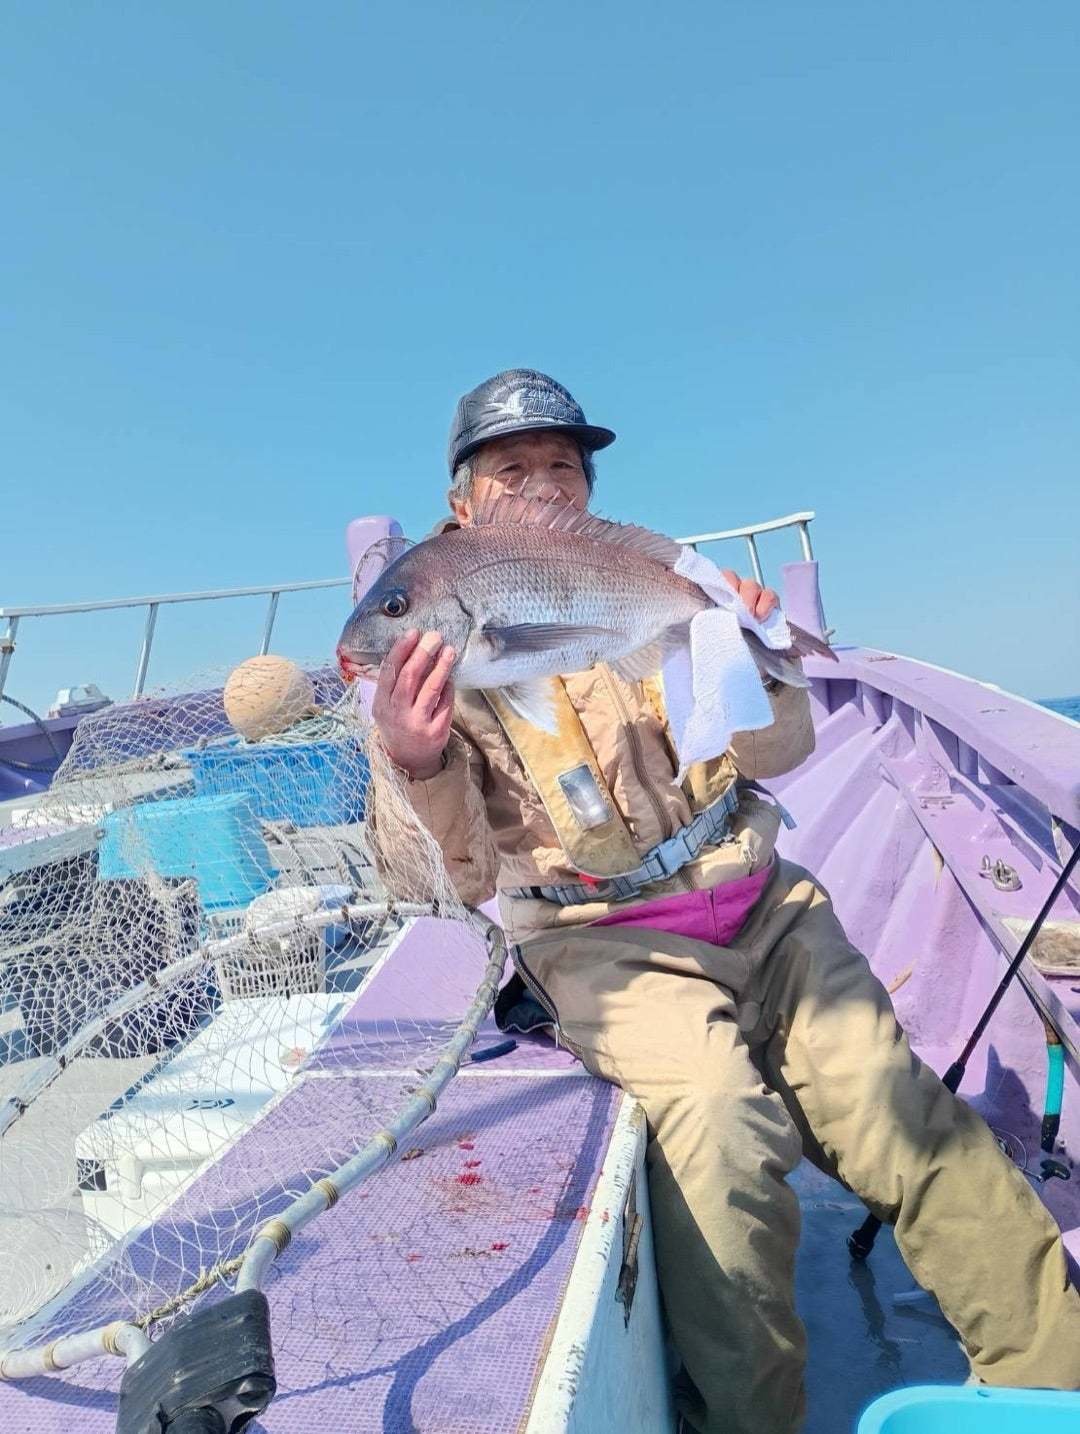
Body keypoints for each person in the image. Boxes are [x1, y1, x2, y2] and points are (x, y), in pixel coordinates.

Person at [365, 369, 1080, 1434]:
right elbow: (443, 881)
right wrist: (414, 757)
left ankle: (1053, 1388)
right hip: (603, 941)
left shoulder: (641, 583)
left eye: (563, 464)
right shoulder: (426, 642)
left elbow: (777, 753)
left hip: (762, 901)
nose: (543, 484)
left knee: (904, 1113)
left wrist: (760, 653)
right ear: (463, 502)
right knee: (717, 1134)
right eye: (511, 468)